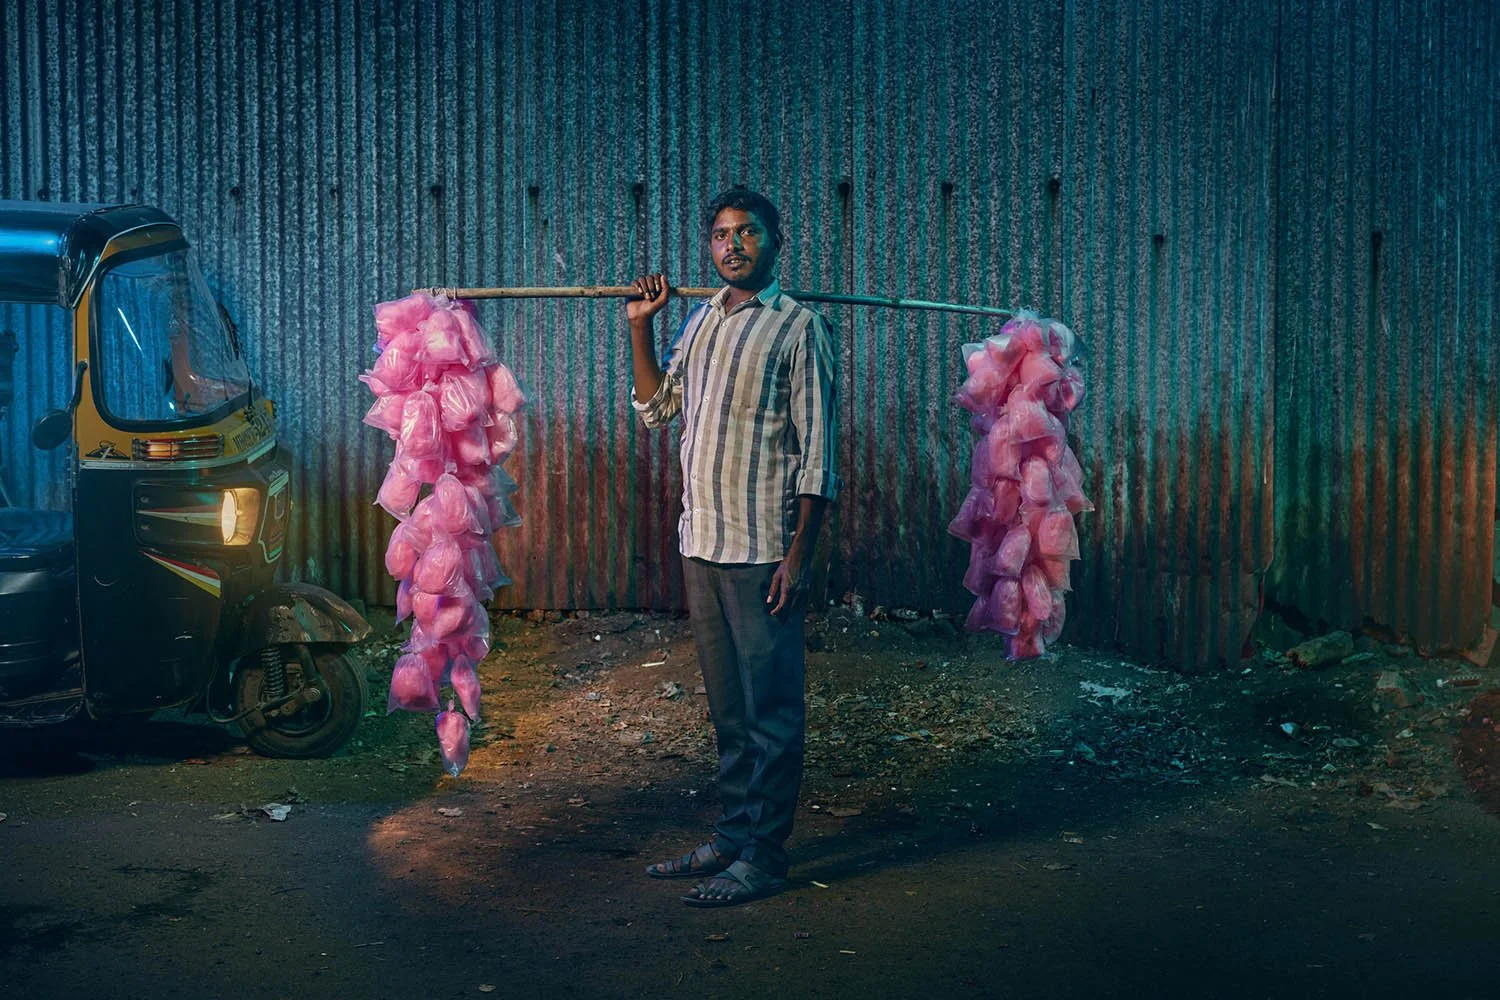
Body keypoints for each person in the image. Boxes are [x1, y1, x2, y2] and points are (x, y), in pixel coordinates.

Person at [627, 185, 841, 907]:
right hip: (704, 540)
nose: (732, 246)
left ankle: (765, 857)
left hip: (762, 550)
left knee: (771, 709)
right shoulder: (700, 322)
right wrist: (640, 327)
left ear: (774, 241)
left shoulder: (798, 328)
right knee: (729, 710)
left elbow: (818, 454)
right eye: (720, 235)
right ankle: (734, 832)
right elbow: (658, 410)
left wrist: (799, 553)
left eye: (746, 233)